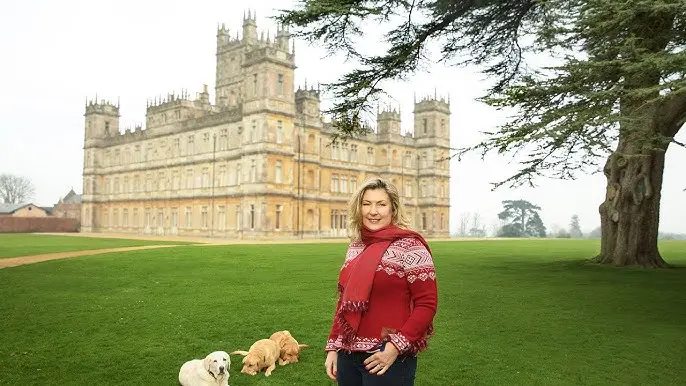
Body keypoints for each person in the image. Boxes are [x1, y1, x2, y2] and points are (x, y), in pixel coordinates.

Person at [324, 178, 438, 385]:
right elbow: (344, 303)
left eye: (381, 204)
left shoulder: (411, 246)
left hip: (387, 356)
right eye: (366, 204)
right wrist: (333, 347)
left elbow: (427, 304)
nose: (372, 211)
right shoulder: (356, 246)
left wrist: (394, 348)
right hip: (348, 354)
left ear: (393, 209)